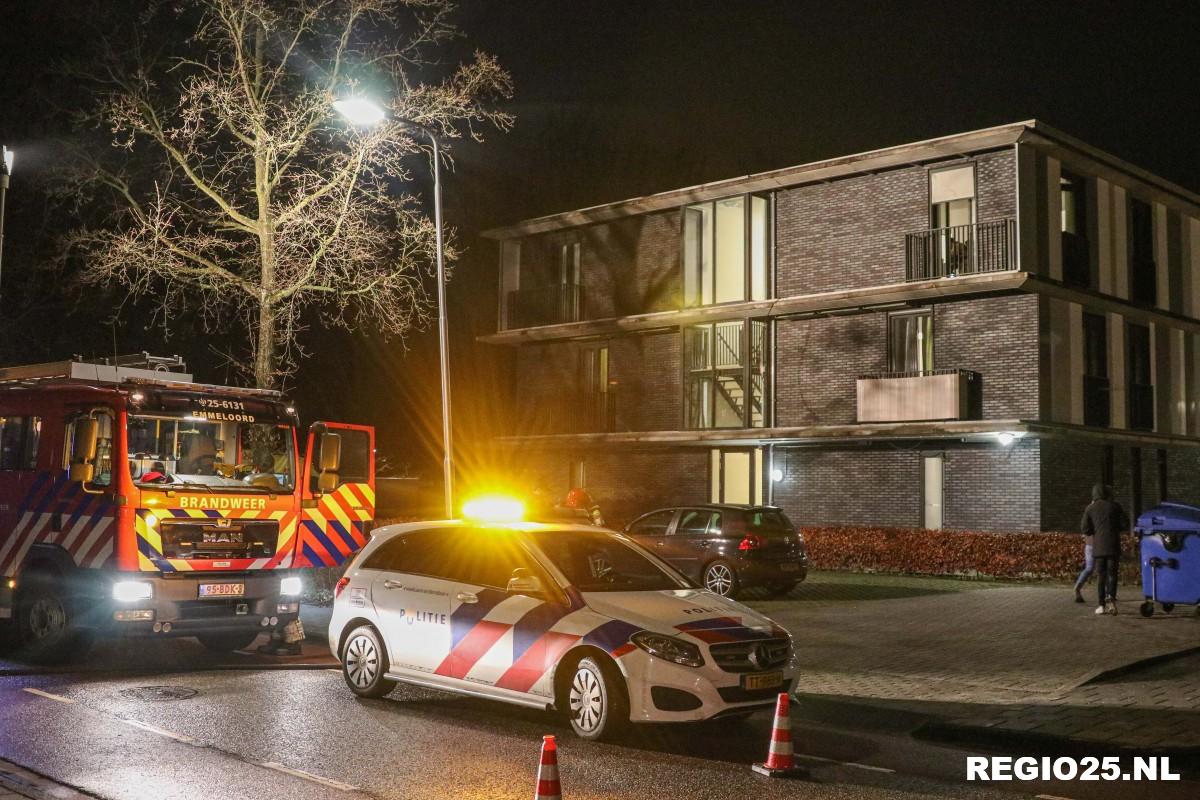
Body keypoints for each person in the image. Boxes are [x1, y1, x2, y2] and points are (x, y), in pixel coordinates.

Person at [1080, 483, 1128, 616]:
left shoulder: (1090, 508)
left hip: (1099, 547)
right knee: (1112, 574)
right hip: (1113, 545)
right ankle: (1111, 599)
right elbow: (1125, 523)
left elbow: (1085, 529)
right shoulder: (1115, 506)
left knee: (1101, 576)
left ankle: (1101, 605)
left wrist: (1095, 530)